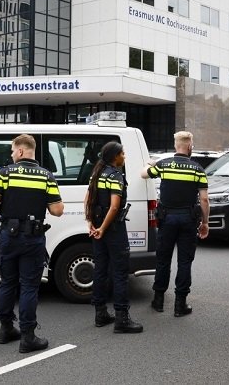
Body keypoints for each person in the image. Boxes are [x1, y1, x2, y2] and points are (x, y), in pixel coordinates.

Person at [0, 134, 64, 353]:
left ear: (20, 151)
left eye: (12, 150)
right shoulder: (46, 176)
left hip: (9, 237)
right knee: (29, 286)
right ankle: (28, 337)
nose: (12, 154)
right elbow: (57, 210)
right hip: (32, 238)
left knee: (8, 283)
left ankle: (6, 329)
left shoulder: (6, 173)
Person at [140, 131, 209, 317]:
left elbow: (143, 174)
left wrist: (150, 164)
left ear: (175, 145)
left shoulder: (164, 165)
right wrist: (205, 222)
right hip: (188, 219)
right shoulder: (197, 169)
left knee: (163, 260)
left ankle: (158, 301)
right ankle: (180, 305)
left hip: (167, 219)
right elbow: (204, 200)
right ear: (190, 146)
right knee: (185, 261)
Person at [84, 141, 143, 333]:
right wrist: (103, 228)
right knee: (120, 273)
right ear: (115, 156)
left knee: (100, 270)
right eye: (122, 153)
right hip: (113, 230)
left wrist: (90, 222)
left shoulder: (96, 173)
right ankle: (122, 319)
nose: (124, 156)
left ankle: (100, 314)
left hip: (97, 227)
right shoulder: (115, 175)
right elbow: (115, 206)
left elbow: (88, 199)